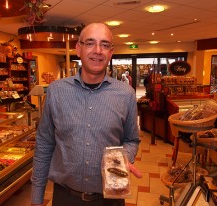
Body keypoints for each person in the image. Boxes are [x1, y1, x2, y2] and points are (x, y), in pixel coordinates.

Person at [31, 23, 142, 206]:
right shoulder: (56, 91)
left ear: (111, 52)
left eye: (105, 45)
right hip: (65, 198)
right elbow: (44, 144)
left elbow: (132, 139)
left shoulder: (125, 93)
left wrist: (122, 159)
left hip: (110, 198)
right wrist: (36, 199)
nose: (98, 50)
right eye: (90, 43)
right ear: (78, 49)